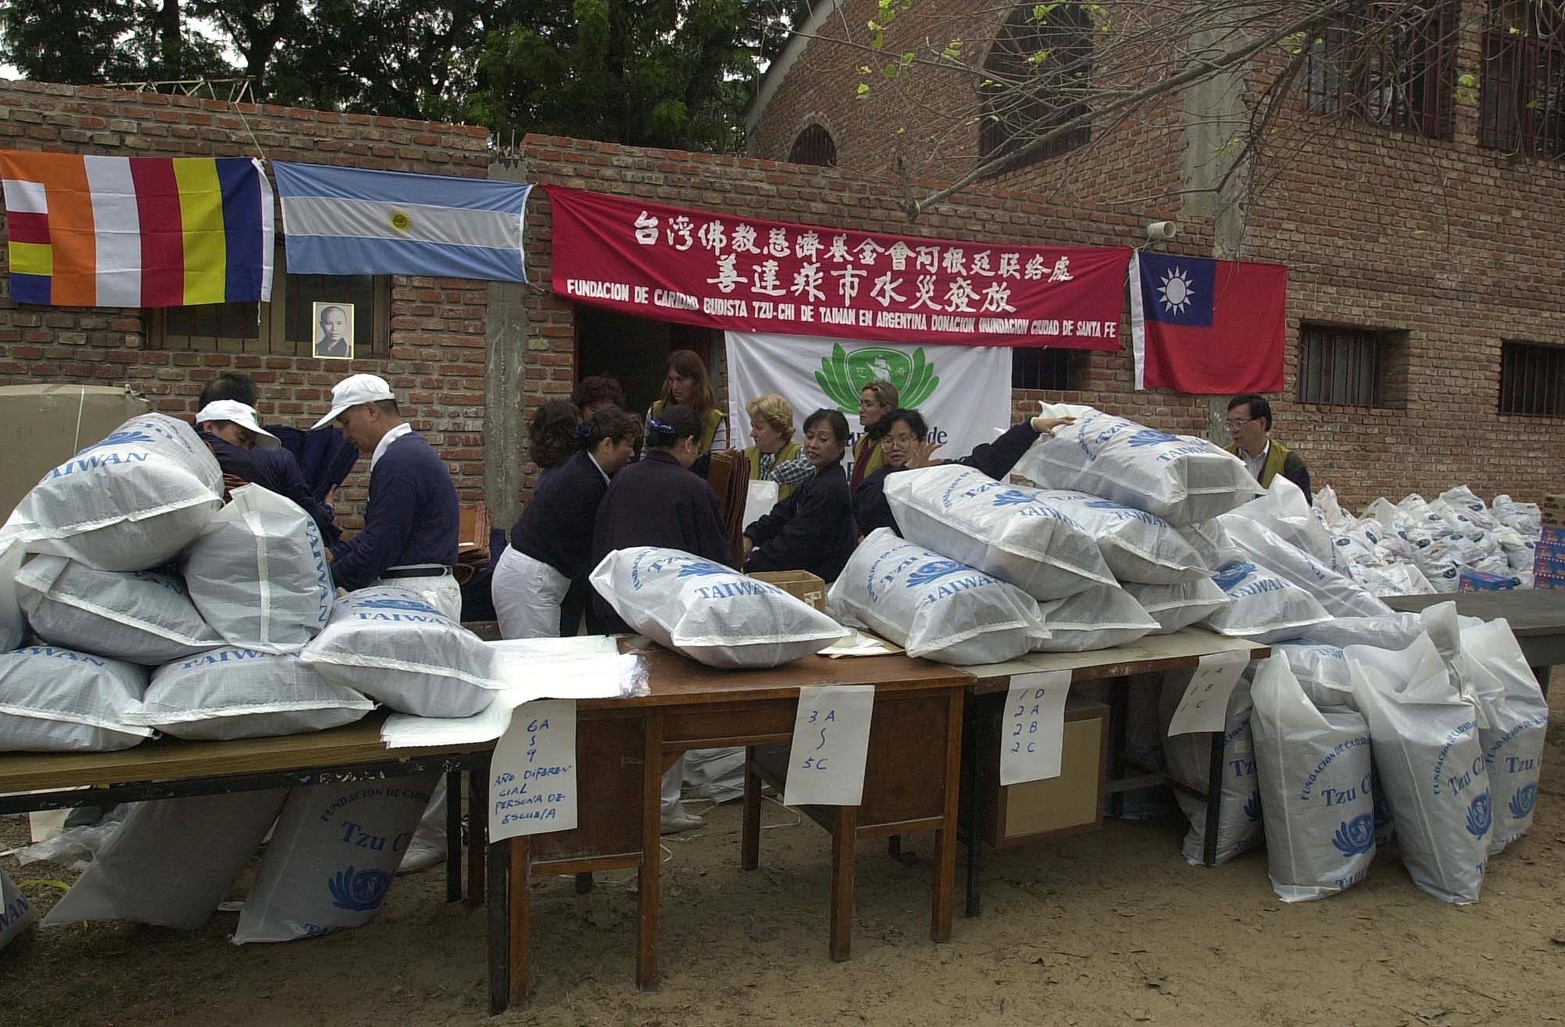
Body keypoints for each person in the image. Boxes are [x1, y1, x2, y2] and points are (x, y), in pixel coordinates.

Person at [590, 404, 731, 834]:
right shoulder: (693, 489)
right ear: (688, 443)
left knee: (624, 709)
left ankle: (622, 796)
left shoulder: (620, 480)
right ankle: (662, 806)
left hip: (616, 610)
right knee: (667, 710)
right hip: (668, 620)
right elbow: (716, 564)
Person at [311, 373, 461, 620]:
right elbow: (381, 532)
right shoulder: (403, 454)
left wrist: (323, 580)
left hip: (416, 595)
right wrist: (335, 554)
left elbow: (379, 547)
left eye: (346, 422)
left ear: (371, 411)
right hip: (413, 590)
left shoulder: (399, 462)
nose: (345, 434)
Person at [492, 404, 641, 639]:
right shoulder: (587, 483)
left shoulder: (583, 467)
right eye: (629, 445)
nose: (632, 453)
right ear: (607, 445)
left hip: (531, 576)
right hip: (530, 582)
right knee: (536, 663)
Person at [852, 410, 1076, 536]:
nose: (895, 446)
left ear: (919, 441)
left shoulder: (942, 471)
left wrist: (1031, 427)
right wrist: (908, 471)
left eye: (903, 439)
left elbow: (988, 462)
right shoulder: (877, 482)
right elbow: (869, 514)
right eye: (888, 441)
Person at [197, 374, 343, 545]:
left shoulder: (181, 444)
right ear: (209, 426)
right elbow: (305, 513)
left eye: (250, 444)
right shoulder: (274, 459)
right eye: (242, 437)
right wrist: (328, 510)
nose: (246, 450)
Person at [742, 408, 856, 583]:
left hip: (822, 582)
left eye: (823, 439)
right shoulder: (814, 478)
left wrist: (749, 564)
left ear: (841, 445)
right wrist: (750, 536)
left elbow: (796, 541)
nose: (813, 444)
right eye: (810, 437)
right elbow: (781, 514)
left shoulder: (831, 487)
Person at [647, 350, 727, 475]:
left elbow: (716, 468)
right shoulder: (657, 410)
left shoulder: (714, 419)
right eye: (671, 380)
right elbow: (645, 454)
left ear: (697, 382)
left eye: (680, 380)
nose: (674, 386)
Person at [1225, 393, 1312, 503]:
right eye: (1230, 424)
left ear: (1262, 423)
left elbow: (1303, 510)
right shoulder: (1224, 458)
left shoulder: (1288, 462)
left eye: (1239, 423)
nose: (1234, 429)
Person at [742, 393, 811, 502]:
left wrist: (776, 476)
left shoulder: (798, 454)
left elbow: (814, 465)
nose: (752, 433)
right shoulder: (743, 456)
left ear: (778, 430)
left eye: (759, 428)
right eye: (752, 426)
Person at [849, 380, 899, 491]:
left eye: (868, 404)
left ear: (886, 409)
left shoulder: (893, 447)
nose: (860, 409)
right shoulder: (860, 443)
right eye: (861, 403)